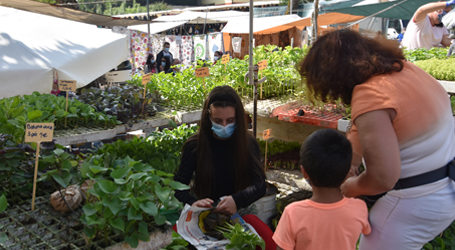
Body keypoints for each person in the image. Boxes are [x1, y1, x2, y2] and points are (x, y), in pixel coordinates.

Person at [299, 29, 455, 249]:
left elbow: (382, 178)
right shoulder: (405, 70)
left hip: (414, 202)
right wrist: (349, 163)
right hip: (446, 188)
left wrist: (351, 187)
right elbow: (362, 131)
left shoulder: (370, 95)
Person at [174, 85, 276, 250]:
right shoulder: (195, 146)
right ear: (208, 118)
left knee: (266, 243)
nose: (224, 126)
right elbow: (178, 186)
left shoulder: (248, 144)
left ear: (238, 118)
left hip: (242, 209)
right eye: (217, 121)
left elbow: (259, 185)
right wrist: (194, 203)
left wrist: (237, 200)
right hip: (205, 212)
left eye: (230, 121)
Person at [273, 129, 371, 250]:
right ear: (347, 172)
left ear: (304, 172)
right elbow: (365, 230)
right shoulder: (359, 208)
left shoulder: (292, 213)